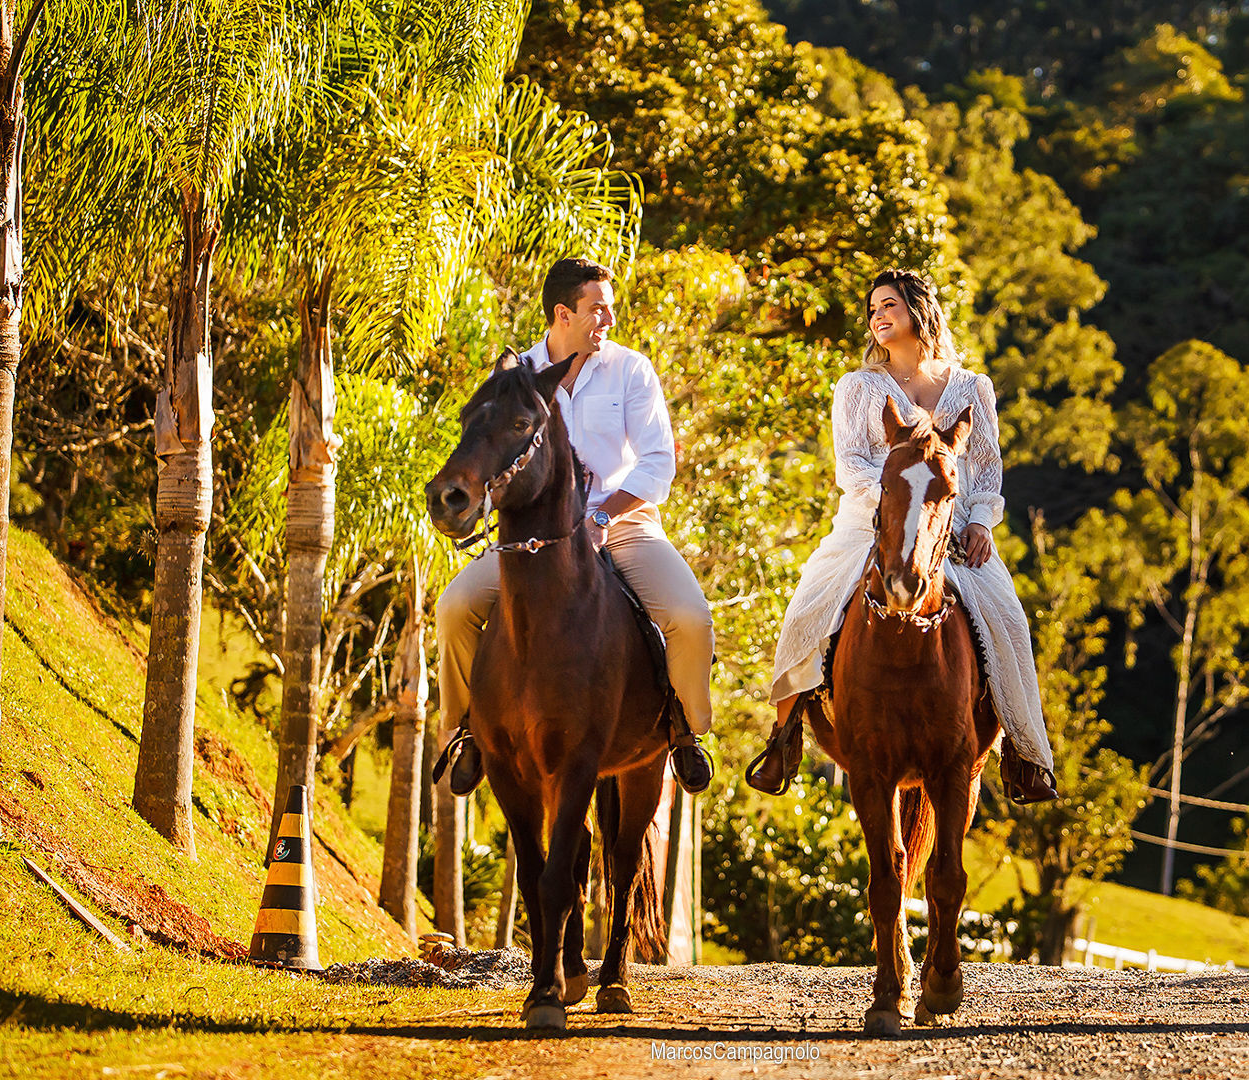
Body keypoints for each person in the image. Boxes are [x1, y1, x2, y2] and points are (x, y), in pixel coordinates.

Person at [746, 268, 1057, 804]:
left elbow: (985, 467)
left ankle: (1025, 754)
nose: (878, 316)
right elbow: (851, 466)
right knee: (807, 607)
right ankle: (783, 736)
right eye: (873, 310)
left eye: (888, 305)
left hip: (952, 529)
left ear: (919, 310)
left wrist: (979, 521)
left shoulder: (971, 388)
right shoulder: (858, 388)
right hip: (874, 522)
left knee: (1009, 618)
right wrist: (898, 509)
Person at [436, 257, 715, 794]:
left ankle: (685, 729)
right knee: (454, 610)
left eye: (609, 308)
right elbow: (489, 450)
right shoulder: (515, 377)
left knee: (690, 616)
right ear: (564, 313)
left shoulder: (631, 369)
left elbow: (658, 461)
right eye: (598, 309)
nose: (608, 319)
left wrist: (603, 516)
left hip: (624, 523)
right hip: (531, 537)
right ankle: (467, 729)